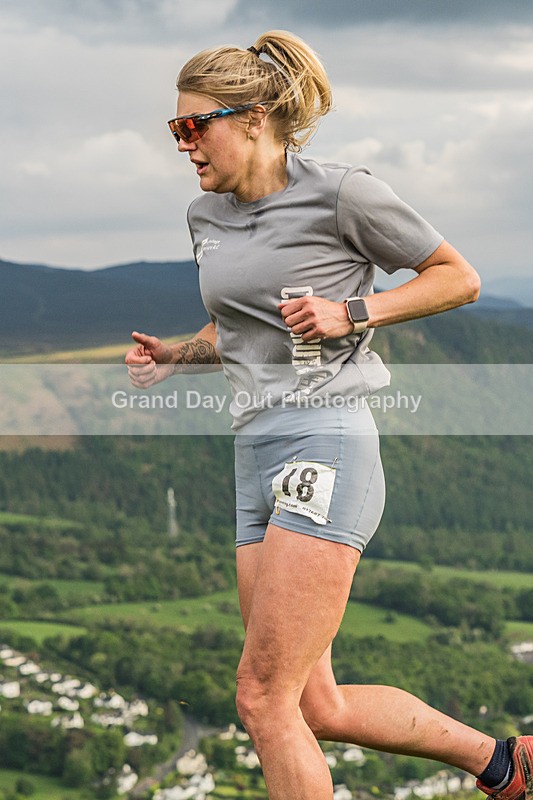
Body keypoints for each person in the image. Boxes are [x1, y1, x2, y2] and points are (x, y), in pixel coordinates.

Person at [125, 30, 532, 800]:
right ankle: (503, 764)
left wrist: (354, 309)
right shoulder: (204, 216)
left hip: (326, 439)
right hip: (253, 453)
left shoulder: (341, 192)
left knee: (261, 698)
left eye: (191, 125)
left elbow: (458, 278)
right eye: (173, 130)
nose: (182, 145)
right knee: (315, 704)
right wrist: (176, 355)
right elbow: (243, 332)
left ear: (251, 119)